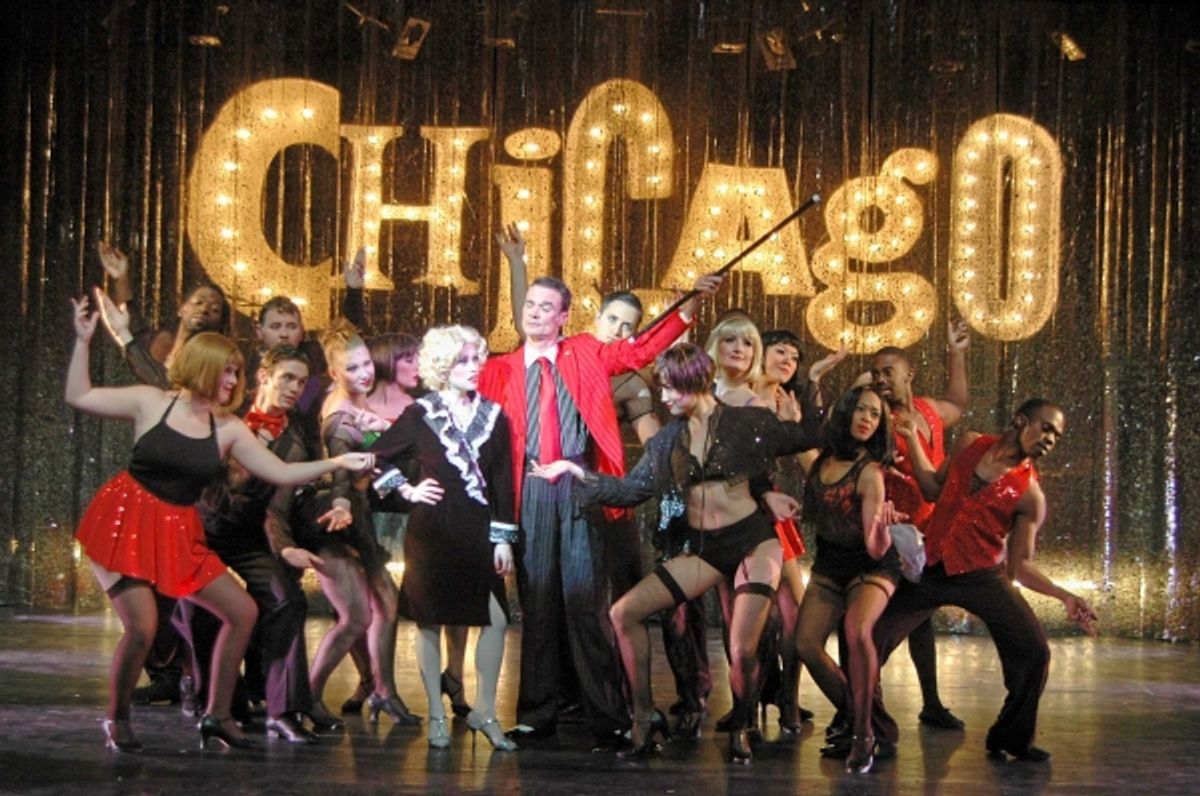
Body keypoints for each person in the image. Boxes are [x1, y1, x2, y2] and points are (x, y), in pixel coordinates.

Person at [66, 293, 372, 752]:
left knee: (244, 610)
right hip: (125, 520)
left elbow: (284, 473)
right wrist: (83, 341)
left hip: (180, 529)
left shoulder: (228, 428)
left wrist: (339, 462)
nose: (232, 380)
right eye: (226, 371)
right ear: (203, 366)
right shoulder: (153, 402)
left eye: (236, 372)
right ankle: (117, 717)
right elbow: (79, 395)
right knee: (144, 628)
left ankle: (219, 714)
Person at [483, 225, 723, 744]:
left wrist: (686, 310)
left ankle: (610, 716)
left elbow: (638, 352)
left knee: (585, 605)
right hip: (529, 493)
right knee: (538, 605)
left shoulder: (587, 351)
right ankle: (536, 714)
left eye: (548, 307)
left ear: (564, 316)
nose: (536, 313)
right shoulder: (500, 369)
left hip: (580, 485)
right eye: (531, 305)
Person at [534, 343, 823, 763]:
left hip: (753, 542)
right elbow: (631, 490)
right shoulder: (668, 440)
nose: (664, 398)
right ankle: (643, 718)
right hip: (704, 550)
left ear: (695, 382)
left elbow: (807, 436)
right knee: (623, 613)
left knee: (743, 651)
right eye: (662, 389)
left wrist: (810, 395)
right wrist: (576, 471)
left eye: (671, 389)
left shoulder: (747, 422)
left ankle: (742, 723)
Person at [871, 399, 1098, 762]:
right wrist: (912, 437)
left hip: (981, 577)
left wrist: (1063, 595)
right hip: (931, 566)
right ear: (1019, 420)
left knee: (1034, 652)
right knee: (868, 640)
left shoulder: (1030, 495)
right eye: (1046, 428)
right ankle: (870, 729)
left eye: (1057, 435)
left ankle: (1011, 737)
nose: (1051, 440)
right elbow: (931, 489)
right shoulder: (970, 443)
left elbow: (1020, 566)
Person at [371, 325, 518, 750]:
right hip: (432, 532)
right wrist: (408, 488)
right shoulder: (421, 414)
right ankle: (437, 714)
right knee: (430, 623)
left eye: (477, 359)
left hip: (478, 532)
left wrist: (504, 538)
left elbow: (503, 482)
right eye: (463, 360)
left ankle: (484, 712)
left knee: (496, 621)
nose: (474, 368)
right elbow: (377, 455)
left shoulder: (495, 416)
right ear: (442, 365)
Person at [192, 344, 327, 744]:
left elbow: (278, 504)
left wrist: (284, 547)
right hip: (203, 530)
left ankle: (282, 710)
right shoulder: (229, 418)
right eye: (287, 377)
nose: (294, 388)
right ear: (264, 375)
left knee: (287, 599)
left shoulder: (298, 433)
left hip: (253, 534)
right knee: (199, 611)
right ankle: (221, 706)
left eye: (301, 382)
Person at [304, 322, 421, 728]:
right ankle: (309, 694)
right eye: (352, 369)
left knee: (385, 602)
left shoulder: (356, 405)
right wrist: (340, 501)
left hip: (358, 517)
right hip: (337, 521)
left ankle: (383, 691)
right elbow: (340, 471)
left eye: (366, 364)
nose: (364, 374)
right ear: (335, 373)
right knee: (355, 617)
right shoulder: (340, 416)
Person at [793, 386, 905, 773]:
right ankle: (866, 717)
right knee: (805, 644)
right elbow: (796, 447)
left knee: (858, 631)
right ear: (845, 413)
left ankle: (862, 735)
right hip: (829, 566)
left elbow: (876, 549)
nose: (867, 419)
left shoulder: (870, 472)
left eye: (875, 415)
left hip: (872, 566)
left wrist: (881, 528)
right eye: (860, 410)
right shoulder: (821, 461)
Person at [869, 321, 971, 731]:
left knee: (920, 618)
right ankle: (862, 700)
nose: (879, 379)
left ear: (907, 373)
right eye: (874, 373)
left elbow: (958, 403)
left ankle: (929, 703)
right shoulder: (876, 420)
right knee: (893, 621)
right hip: (896, 532)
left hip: (931, 528)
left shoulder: (928, 410)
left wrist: (957, 352)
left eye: (885, 372)